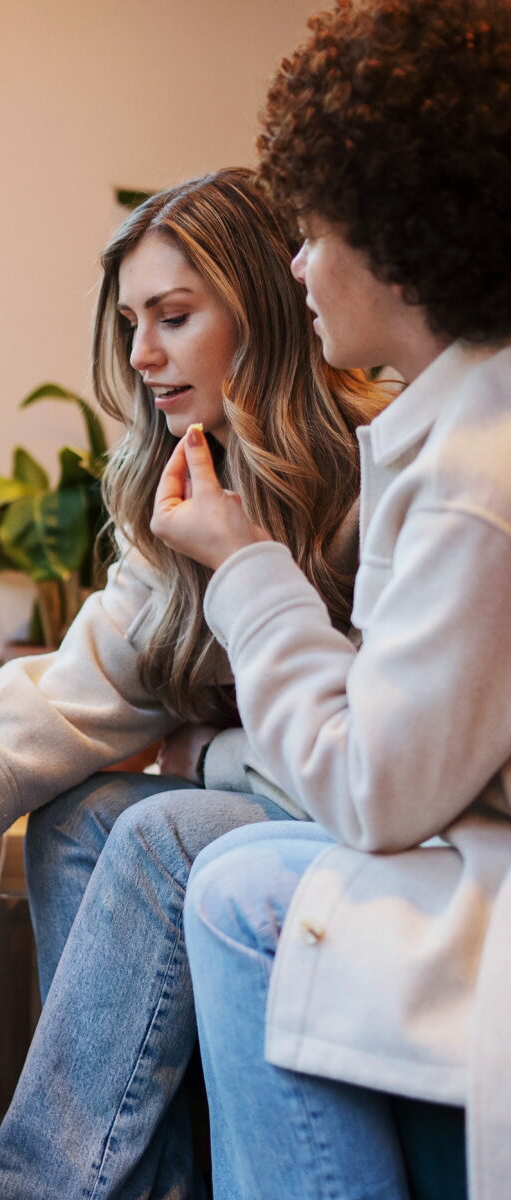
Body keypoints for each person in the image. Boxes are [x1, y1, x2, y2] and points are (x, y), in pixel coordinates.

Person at [0, 167, 387, 1199]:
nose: (141, 355)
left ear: (266, 307)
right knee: (80, 809)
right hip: (287, 811)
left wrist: (205, 754)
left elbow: (379, 753)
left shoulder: (380, 468)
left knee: (156, 830)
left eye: (174, 316)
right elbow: (77, 688)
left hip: (395, 836)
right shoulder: (195, 476)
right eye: (132, 321)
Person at [146, 3, 511, 1198]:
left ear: (399, 231)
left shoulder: (469, 475)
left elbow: (372, 788)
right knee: (131, 826)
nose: (300, 265)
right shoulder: (456, 422)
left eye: (310, 234)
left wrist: (245, 561)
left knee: (233, 888)